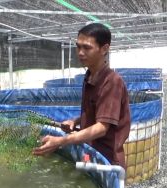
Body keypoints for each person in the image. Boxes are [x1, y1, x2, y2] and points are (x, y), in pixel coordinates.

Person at [33, 23, 131, 169]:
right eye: (78, 47)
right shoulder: (89, 76)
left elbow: (102, 128)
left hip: (107, 160)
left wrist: (60, 141)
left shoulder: (111, 81)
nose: (80, 52)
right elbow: (94, 110)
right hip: (90, 151)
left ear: (104, 49)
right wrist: (76, 121)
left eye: (87, 47)